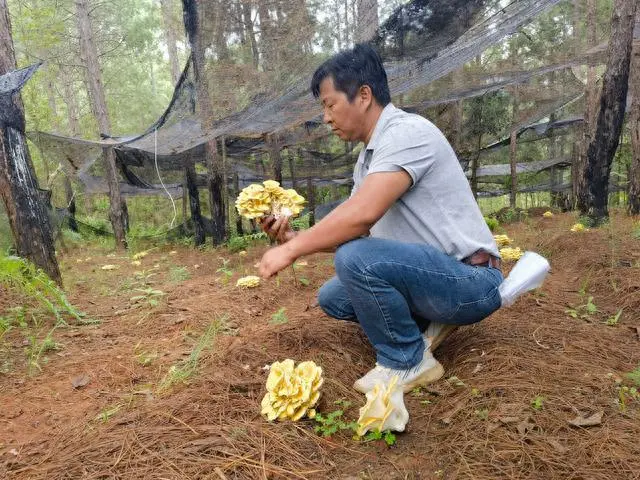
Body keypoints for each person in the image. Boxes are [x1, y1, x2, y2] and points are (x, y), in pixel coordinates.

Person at [258, 44, 502, 394]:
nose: (325, 117)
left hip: (472, 280)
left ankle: (407, 360)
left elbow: (361, 216)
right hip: (431, 275)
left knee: (354, 259)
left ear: (363, 95)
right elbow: (358, 232)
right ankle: (428, 322)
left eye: (330, 104)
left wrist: (294, 249)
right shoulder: (369, 160)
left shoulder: (406, 133)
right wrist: (292, 236)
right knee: (335, 296)